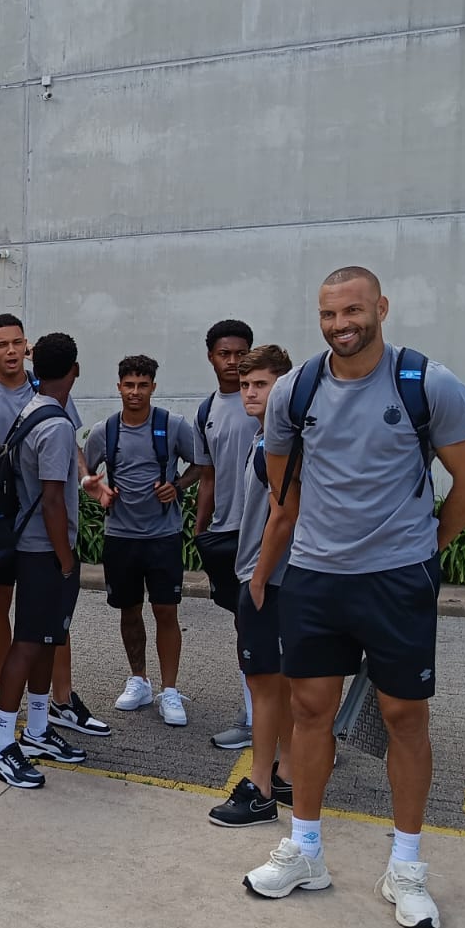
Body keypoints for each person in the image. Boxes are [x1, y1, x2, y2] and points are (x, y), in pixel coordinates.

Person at [244, 265, 465, 928]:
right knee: (309, 711)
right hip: (317, 577)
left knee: (404, 715)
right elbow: (284, 492)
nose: (340, 325)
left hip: (396, 578)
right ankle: (305, 851)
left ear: (381, 307)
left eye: (352, 311)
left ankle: (406, 869)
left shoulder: (427, 383)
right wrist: (276, 563)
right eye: (328, 314)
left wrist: (426, 545)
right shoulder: (295, 389)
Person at [0, 314, 109, 738]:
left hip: (37, 526)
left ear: (27, 348)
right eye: (1, 344)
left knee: (48, 621)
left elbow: (71, 447)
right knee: (0, 608)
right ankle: (5, 696)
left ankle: (60, 700)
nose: (11, 351)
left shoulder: (44, 389)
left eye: (17, 343)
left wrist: (85, 478)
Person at [0, 333, 89, 788]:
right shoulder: (57, 425)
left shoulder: (32, 409)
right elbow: (52, 500)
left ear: (34, 367)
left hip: (33, 547)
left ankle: (39, 730)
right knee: (28, 643)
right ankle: (1, 745)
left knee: (46, 640)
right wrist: (65, 560)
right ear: (75, 370)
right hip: (44, 551)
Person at [82, 355, 202, 726]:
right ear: (119, 387)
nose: (135, 392)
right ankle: (139, 680)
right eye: (129, 385)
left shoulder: (172, 425)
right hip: (121, 536)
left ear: (153, 387)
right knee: (129, 609)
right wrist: (96, 488)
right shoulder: (105, 430)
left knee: (166, 610)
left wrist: (177, 485)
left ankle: (170, 690)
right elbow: (84, 469)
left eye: (143, 385)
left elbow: (201, 464)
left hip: (163, 535)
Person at [208, 345, 296, 827]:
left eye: (261, 384)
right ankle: (285, 773)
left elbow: (284, 516)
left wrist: (258, 578)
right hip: (270, 577)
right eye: (244, 385)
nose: (250, 393)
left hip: (270, 580)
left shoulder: (275, 446)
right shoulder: (267, 439)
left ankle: (260, 789)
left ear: (284, 386)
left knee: (264, 687)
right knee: (278, 685)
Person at [193, 319, 258, 751]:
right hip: (227, 535)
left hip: (269, 535)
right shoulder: (206, 411)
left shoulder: (270, 402)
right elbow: (208, 476)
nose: (233, 362)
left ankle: (302, 729)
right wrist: (201, 531)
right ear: (211, 357)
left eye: (240, 353)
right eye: (224, 354)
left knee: (278, 629)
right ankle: (254, 716)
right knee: (244, 627)